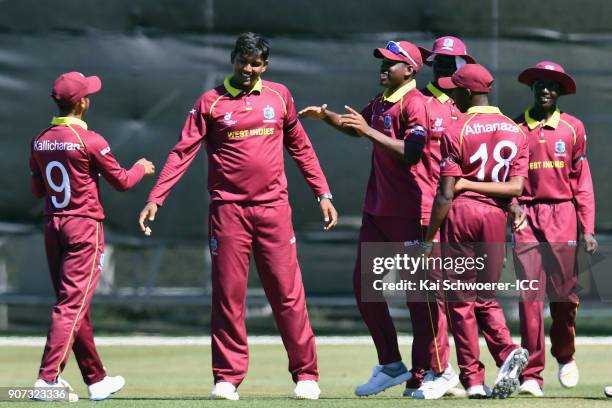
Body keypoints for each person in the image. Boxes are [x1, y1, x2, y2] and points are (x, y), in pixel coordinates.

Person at [138, 32, 337, 401]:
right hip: (228, 212)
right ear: (233, 59)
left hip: (274, 210)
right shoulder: (210, 102)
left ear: (265, 65)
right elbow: (182, 153)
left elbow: (301, 148)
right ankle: (227, 378)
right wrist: (156, 197)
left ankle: (306, 375)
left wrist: (322, 192)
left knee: (288, 295)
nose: (248, 69)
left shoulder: (280, 96)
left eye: (255, 63)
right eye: (243, 61)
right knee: (229, 298)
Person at [300, 40, 458, 398]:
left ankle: (428, 373)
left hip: (410, 213)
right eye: (382, 62)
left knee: (419, 298)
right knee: (364, 289)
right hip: (378, 211)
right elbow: (357, 127)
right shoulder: (382, 101)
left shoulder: (417, 104)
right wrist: (327, 118)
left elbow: (413, 152)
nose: (383, 68)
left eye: (391, 63)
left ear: (411, 70)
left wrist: (370, 131)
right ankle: (391, 364)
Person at [29, 72, 155, 401]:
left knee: (74, 303)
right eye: (89, 94)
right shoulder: (91, 140)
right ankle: (47, 380)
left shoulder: (40, 139)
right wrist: (142, 167)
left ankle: (96, 379)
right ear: (82, 102)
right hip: (83, 227)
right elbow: (124, 181)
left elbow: (37, 188)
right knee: (71, 304)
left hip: (53, 225)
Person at [423, 63, 529, 399]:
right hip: (496, 218)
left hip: (464, 214)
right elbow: (515, 189)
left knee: (460, 301)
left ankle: (472, 380)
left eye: (454, 91)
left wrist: (428, 238)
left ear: (466, 93)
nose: (451, 97)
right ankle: (507, 351)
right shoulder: (516, 130)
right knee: (485, 295)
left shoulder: (457, 129)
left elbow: (445, 193)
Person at [510, 61, 597, 397]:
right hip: (526, 217)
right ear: (531, 88)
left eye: (552, 86)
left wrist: (586, 227)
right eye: (539, 84)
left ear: (560, 92)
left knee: (564, 296)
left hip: (562, 215)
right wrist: (512, 206)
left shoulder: (573, 128)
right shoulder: (514, 126)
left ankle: (565, 353)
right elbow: (504, 178)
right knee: (529, 296)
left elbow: (583, 184)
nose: (545, 90)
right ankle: (532, 375)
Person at [409, 35, 476, 400]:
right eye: (441, 62)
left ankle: (472, 375)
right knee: (429, 294)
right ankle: (437, 370)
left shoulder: (470, 104)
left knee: (470, 297)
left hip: (466, 213)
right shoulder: (418, 102)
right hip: (428, 210)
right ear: (432, 65)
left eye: (454, 62)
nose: (447, 68)